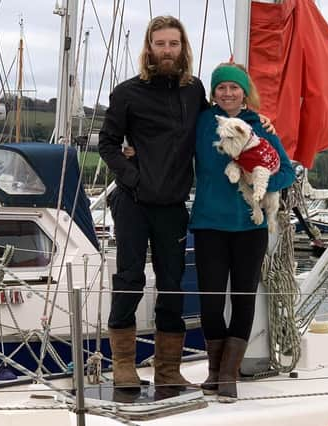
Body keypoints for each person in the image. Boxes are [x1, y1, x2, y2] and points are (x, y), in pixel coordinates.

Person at [98, 15, 207, 391]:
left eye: (173, 44)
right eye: (159, 44)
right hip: (133, 202)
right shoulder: (127, 92)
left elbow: (213, 130)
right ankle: (124, 366)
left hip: (173, 205)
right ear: (149, 47)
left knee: (172, 285)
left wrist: (258, 126)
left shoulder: (195, 91)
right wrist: (133, 178)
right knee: (129, 279)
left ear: (182, 48)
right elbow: (108, 144)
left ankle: (167, 370)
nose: (166, 50)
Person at [189, 63, 295, 402]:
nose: (228, 93)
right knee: (210, 301)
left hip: (250, 226)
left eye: (235, 88)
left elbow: (286, 173)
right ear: (213, 92)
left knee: (243, 298)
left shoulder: (260, 127)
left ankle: (228, 376)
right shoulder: (203, 122)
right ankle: (214, 370)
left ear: (244, 92)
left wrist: (258, 179)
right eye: (221, 88)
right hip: (208, 223)